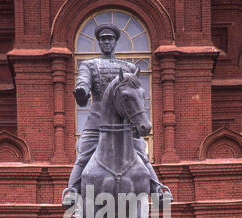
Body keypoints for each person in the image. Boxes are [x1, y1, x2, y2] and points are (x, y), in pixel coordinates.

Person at [62, 23, 171, 206]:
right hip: (97, 121)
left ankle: (157, 189)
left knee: (141, 154)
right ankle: (71, 191)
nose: (106, 42)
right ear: (99, 42)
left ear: (115, 42)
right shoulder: (88, 65)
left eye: (110, 39)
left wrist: (137, 122)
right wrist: (81, 90)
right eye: (103, 39)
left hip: (125, 123)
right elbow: (83, 84)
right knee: (84, 154)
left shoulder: (128, 68)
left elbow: (135, 96)